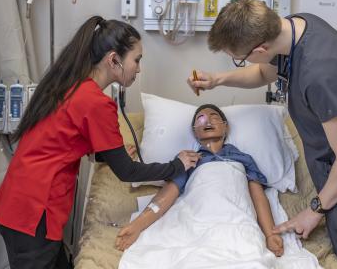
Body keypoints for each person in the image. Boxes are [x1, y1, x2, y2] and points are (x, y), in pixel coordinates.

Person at [186, 0, 337, 268]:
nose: (238, 62)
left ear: (261, 48)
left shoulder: (321, 74)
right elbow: (265, 72)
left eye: (238, 59)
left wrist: (313, 211)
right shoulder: (295, 26)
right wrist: (219, 79)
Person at [0, 16, 200, 269]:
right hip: (34, 212)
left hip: (20, 203)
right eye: (137, 60)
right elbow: (127, 172)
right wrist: (177, 165)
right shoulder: (95, 102)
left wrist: (108, 154)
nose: (139, 68)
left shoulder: (71, 86)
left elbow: (62, 138)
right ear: (114, 60)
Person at [115, 104, 284, 258]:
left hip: (238, 222)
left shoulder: (244, 159)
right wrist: (137, 225)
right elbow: (168, 192)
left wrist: (270, 234)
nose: (208, 120)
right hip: (196, 221)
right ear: (195, 131)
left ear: (226, 126)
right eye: (201, 119)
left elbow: (258, 196)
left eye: (215, 117)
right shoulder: (187, 160)